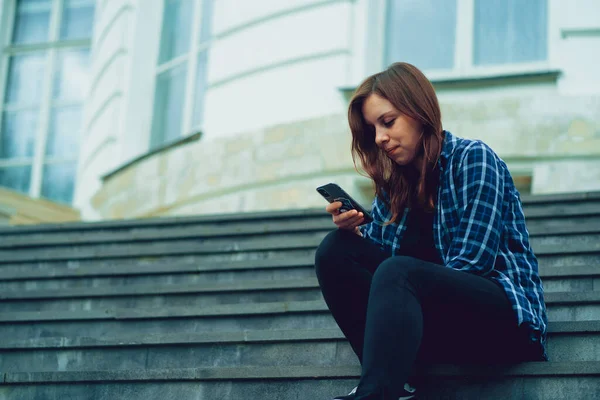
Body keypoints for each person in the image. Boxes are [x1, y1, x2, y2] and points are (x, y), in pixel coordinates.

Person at [314, 62, 548, 400]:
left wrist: (406, 291)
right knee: (336, 249)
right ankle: (395, 378)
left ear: (418, 111)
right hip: (437, 325)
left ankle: (376, 393)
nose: (380, 138)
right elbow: (381, 271)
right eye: (373, 129)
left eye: (388, 122)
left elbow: (473, 261)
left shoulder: (474, 158)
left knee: (399, 271)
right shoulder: (394, 185)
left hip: (503, 321)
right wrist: (357, 232)